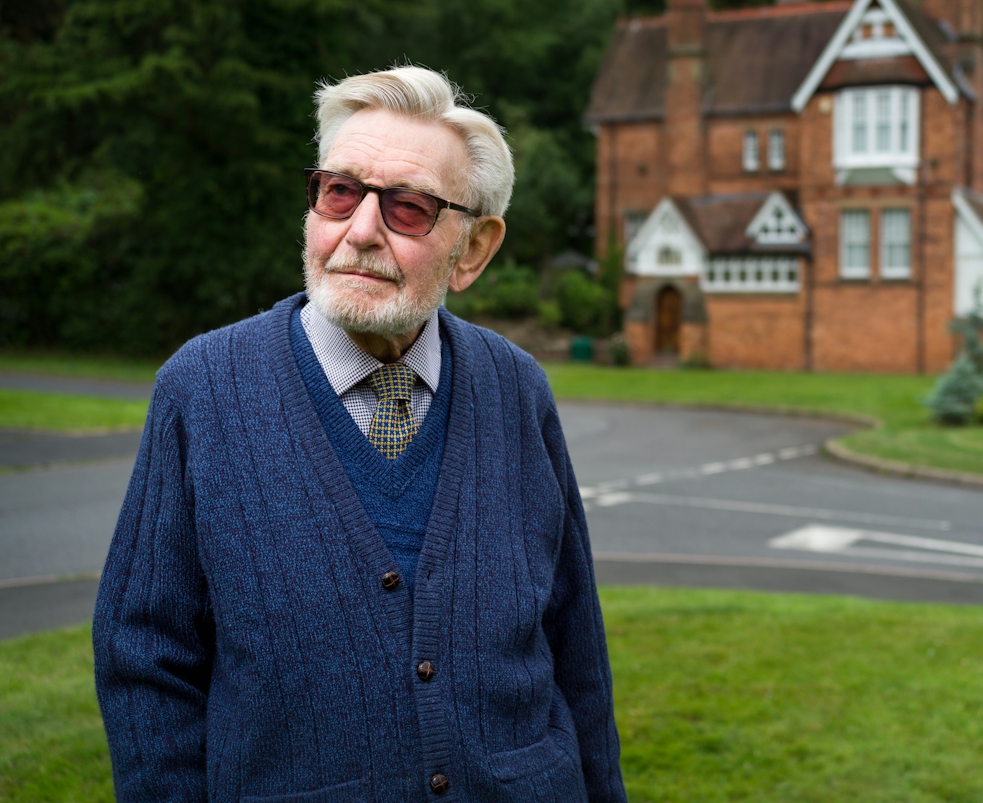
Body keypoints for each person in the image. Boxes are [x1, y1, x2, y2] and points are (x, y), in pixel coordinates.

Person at [93, 66, 626, 803]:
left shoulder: (518, 388)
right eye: (340, 192)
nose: (361, 231)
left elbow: (577, 650)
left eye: (407, 208)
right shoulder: (203, 387)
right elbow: (143, 658)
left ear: (472, 248)